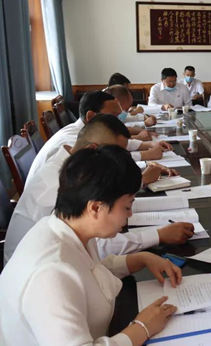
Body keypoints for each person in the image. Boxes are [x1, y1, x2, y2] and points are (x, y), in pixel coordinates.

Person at [0, 145, 181, 345]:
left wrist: (140, 259)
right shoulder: (50, 273)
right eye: (127, 206)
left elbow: (88, 270)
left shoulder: (65, 227)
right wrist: (142, 328)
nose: (130, 214)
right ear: (96, 207)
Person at [4, 114, 194, 263]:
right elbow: (100, 246)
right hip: (42, 271)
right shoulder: (57, 185)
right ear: (93, 150)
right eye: (115, 155)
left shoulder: (73, 168)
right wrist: (158, 235)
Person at [28, 91, 169, 179]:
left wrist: (148, 147)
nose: (119, 120)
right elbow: (97, 182)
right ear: (91, 116)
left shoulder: (86, 133)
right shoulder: (72, 141)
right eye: (114, 115)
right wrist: (141, 178)